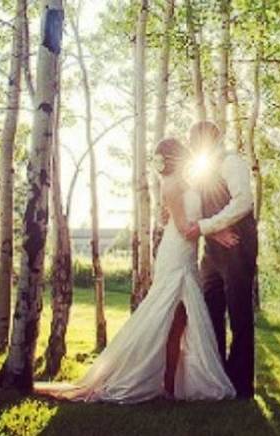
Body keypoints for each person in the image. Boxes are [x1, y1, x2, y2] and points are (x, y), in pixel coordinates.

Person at [34, 138, 238, 403]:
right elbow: (185, 228)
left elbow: (186, 220)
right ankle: (160, 382)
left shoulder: (185, 183)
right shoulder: (172, 185)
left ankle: (171, 383)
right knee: (169, 317)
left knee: (182, 319)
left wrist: (212, 227)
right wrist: (216, 230)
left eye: (161, 157)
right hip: (175, 255)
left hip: (185, 256)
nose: (160, 163)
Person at [184, 121, 258, 400]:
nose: (192, 147)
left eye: (195, 142)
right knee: (210, 311)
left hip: (239, 245)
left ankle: (241, 387)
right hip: (213, 250)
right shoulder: (201, 171)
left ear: (209, 140)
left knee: (239, 315)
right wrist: (212, 231)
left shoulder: (232, 163)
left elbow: (243, 202)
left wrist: (207, 227)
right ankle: (218, 380)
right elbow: (200, 211)